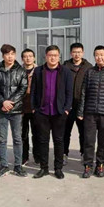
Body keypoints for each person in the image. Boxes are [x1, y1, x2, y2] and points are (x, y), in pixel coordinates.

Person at [31, 45, 74, 179]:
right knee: (43, 141)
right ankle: (44, 168)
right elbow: (33, 91)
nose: (53, 58)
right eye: (50, 55)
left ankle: (58, 168)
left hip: (59, 113)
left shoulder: (66, 71)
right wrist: (34, 108)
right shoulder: (38, 71)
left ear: (59, 56)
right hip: (42, 112)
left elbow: (69, 92)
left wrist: (66, 109)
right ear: (46, 56)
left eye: (55, 55)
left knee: (59, 141)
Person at [77, 45, 104, 178]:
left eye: (101, 55)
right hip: (90, 112)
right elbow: (83, 92)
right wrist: (81, 111)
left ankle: (100, 165)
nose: (99, 57)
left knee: (102, 142)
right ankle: (88, 166)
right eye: (97, 55)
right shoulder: (89, 72)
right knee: (89, 141)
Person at [0, 44, 28, 178]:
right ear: (3, 55)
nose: (10, 57)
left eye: (12, 54)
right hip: (1, 110)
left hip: (16, 110)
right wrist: (2, 102)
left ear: (15, 55)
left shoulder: (21, 70)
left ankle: (18, 166)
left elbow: (23, 89)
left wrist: (10, 102)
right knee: (2, 139)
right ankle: (4, 166)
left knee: (17, 139)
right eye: (7, 54)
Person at [63, 43, 92, 165]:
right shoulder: (65, 66)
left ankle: (83, 153)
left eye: (79, 52)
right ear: (71, 53)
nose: (77, 54)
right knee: (65, 132)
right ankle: (64, 154)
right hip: (68, 105)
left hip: (82, 105)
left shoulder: (88, 67)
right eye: (74, 52)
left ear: (83, 53)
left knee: (83, 132)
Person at [21, 48, 39, 166]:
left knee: (36, 133)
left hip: (35, 107)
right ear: (22, 58)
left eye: (30, 56)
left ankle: (37, 156)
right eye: (25, 56)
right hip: (21, 108)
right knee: (23, 134)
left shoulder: (39, 71)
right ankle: (24, 156)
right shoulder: (18, 71)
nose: (28, 58)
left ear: (34, 58)